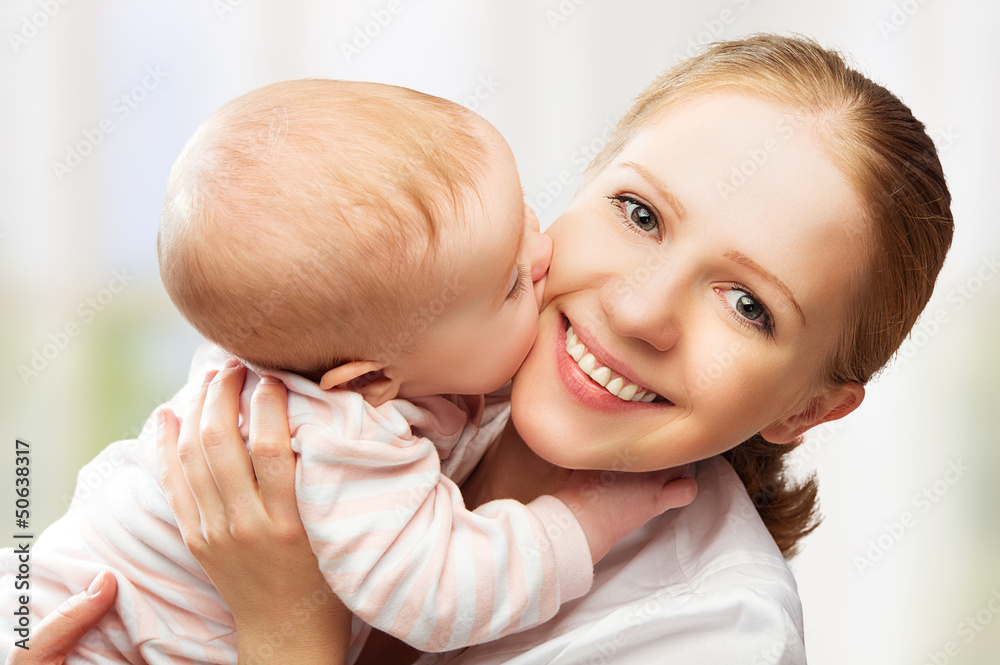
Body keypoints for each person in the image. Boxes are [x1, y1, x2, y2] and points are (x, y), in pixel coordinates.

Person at [11, 33, 954, 664]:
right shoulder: (406, 355)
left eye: (749, 304)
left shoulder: (714, 631)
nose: (639, 311)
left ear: (807, 409)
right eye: (639, 213)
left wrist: (285, 628)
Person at [1, 80, 695, 665]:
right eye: (512, 285)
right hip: (84, 636)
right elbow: (438, 591)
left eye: (525, 218)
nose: (544, 251)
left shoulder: (317, 344)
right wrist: (588, 518)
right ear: (367, 383)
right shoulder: (343, 442)